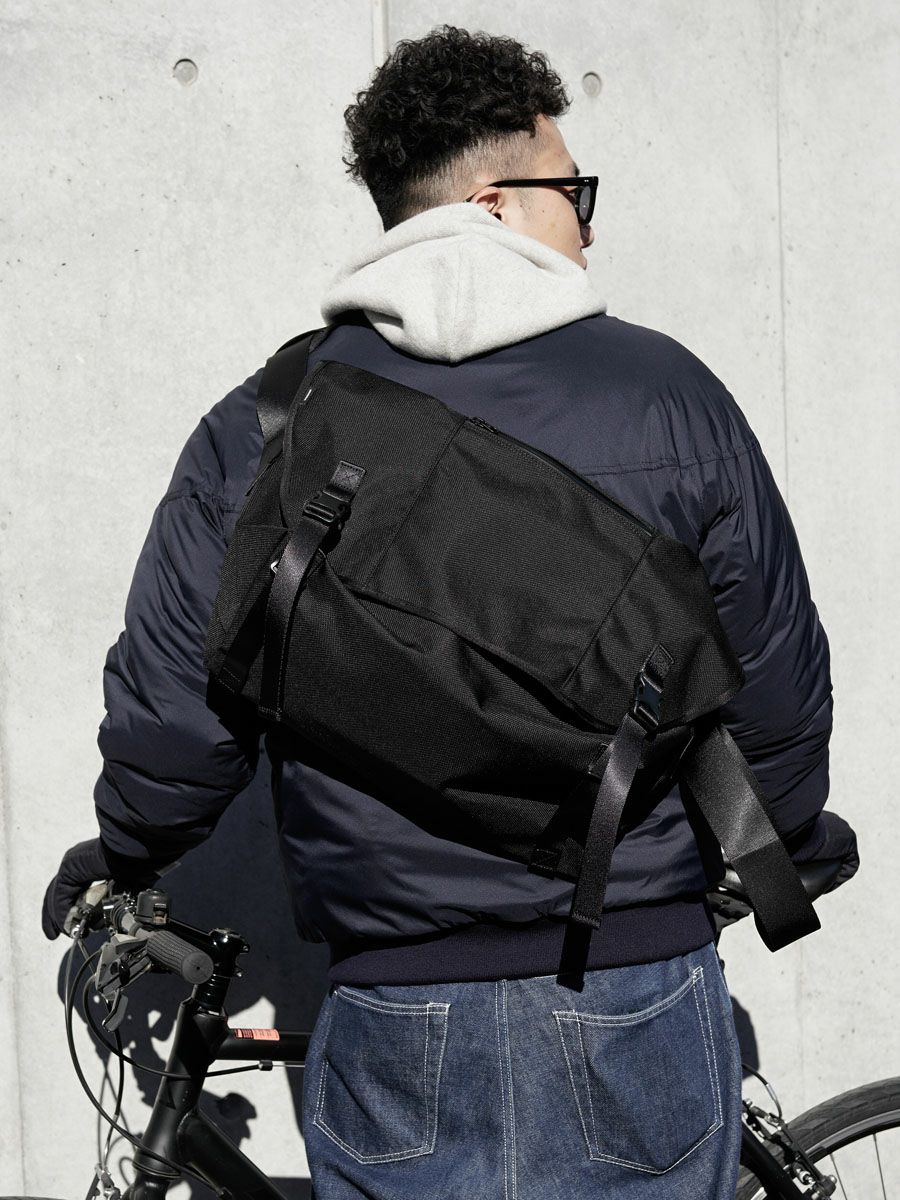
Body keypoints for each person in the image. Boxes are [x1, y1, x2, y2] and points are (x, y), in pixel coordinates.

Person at [43, 24, 859, 1200]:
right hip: (634, 979)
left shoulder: (263, 425)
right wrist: (778, 848)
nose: (590, 225)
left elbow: (180, 717)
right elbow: (773, 683)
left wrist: (125, 852)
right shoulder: (671, 398)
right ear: (495, 204)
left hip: (397, 1013)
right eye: (574, 192)